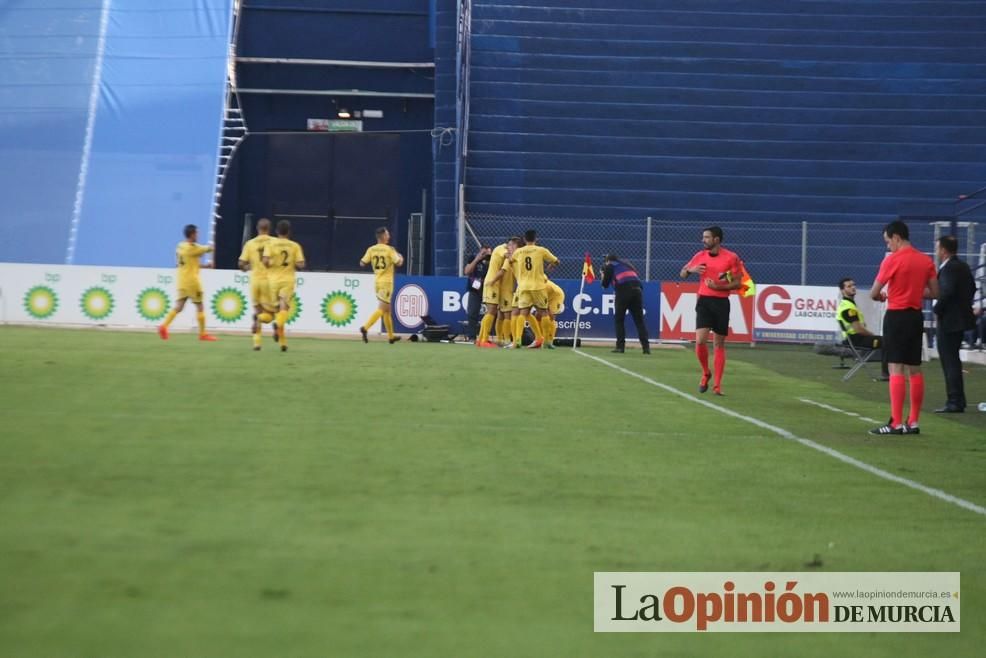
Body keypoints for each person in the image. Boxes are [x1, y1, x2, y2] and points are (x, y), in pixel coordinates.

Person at [868, 220, 938, 435]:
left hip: (897, 316)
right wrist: (914, 292)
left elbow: (873, 292)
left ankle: (896, 422)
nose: (888, 246)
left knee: (895, 367)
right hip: (915, 317)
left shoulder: (893, 260)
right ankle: (913, 421)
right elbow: (935, 293)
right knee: (914, 368)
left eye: (888, 241)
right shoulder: (925, 261)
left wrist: (883, 297)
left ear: (896, 237)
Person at [679, 226, 743, 395]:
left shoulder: (731, 257)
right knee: (700, 341)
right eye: (703, 237)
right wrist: (690, 270)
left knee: (718, 344)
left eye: (706, 237)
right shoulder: (699, 256)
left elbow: (738, 283)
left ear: (716, 239)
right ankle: (706, 372)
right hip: (704, 301)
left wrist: (719, 286)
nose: (703, 240)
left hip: (722, 303)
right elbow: (682, 273)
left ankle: (717, 385)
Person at [932, 235, 976, 413]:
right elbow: (972, 288)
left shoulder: (949, 268)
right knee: (953, 360)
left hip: (949, 320)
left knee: (949, 361)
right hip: (959, 319)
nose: (936, 251)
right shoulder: (963, 266)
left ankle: (954, 400)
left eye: (937, 248)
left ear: (943, 250)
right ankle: (959, 399)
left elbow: (947, 291)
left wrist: (937, 309)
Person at [158, 224, 217, 342]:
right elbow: (209, 248)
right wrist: (213, 246)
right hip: (192, 282)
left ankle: (164, 326)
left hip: (182, 282)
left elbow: (190, 263)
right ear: (192, 234)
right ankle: (203, 334)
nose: (198, 235)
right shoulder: (192, 248)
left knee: (179, 306)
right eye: (197, 233)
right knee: (200, 306)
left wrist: (205, 266)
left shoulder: (180, 246)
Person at [508, 229, 559, 349]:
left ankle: (518, 340)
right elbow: (556, 261)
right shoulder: (541, 250)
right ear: (536, 239)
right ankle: (547, 341)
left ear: (525, 240)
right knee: (544, 312)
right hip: (538, 286)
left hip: (524, 286)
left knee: (523, 313)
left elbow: (510, 261)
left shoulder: (519, 251)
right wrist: (550, 266)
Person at [261, 220, 306, 352]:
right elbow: (301, 264)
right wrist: (296, 265)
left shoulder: (270, 243)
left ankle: (283, 343)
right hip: (287, 280)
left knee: (276, 312)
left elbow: (265, 261)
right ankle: (278, 327)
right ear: (289, 232)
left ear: (276, 231)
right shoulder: (294, 246)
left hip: (272, 281)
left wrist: (270, 264)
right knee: (283, 311)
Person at [836, 278, 889, 380]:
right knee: (886, 341)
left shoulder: (849, 304)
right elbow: (859, 329)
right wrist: (873, 335)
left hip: (855, 338)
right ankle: (886, 374)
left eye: (853, 285)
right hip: (855, 339)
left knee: (886, 340)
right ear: (842, 290)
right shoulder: (848, 308)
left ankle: (889, 372)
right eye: (849, 286)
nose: (853, 287)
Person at [358, 227, 404, 344]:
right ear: (383, 236)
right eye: (387, 234)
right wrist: (400, 257)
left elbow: (362, 263)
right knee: (382, 309)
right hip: (387, 282)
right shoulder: (390, 249)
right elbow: (398, 262)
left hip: (377, 282)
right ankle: (365, 328)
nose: (389, 236)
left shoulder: (371, 249)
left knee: (387, 310)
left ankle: (391, 336)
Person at [602, 253, 651, 354]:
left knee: (619, 320)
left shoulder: (609, 266)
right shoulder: (627, 264)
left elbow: (605, 284)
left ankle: (620, 347)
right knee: (639, 321)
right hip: (638, 290)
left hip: (623, 290)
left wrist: (603, 276)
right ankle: (646, 348)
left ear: (607, 260)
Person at [238, 217, 275, 350]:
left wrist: (248, 267)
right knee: (272, 315)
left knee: (257, 310)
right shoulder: (274, 242)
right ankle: (259, 319)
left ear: (257, 229)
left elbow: (241, 264)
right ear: (269, 229)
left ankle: (257, 343)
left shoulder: (249, 244)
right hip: (269, 282)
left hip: (255, 282)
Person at [476, 239, 518, 347]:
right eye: (514, 247)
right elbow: (508, 259)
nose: (513, 250)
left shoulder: (502, 250)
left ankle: (481, 339)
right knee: (492, 312)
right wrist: (493, 281)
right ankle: (485, 339)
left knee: (493, 312)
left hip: (497, 285)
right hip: (493, 283)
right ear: (510, 244)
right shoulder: (502, 249)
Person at [464, 246, 492, 344]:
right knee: (472, 313)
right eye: (484, 253)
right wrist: (477, 259)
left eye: (488, 253)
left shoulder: (493, 260)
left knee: (491, 314)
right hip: (475, 290)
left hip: (488, 290)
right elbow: (467, 271)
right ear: (480, 251)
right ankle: (472, 337)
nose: (486, 256)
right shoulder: (473, 258)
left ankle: (486, 336)